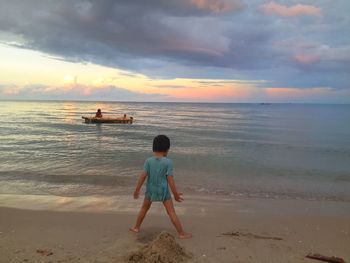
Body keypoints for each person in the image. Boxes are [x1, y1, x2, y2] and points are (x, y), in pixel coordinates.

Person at [130, 135, 192, 239]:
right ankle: (181, 233)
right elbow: (170, 180)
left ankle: (136, 227)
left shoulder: (148, 161)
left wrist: (137, 190)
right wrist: (175, 194)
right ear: (167, 149)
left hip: (151, 190)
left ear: (153, 147)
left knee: (144, 208)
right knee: (171, 212)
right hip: (163, 191)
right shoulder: (168, 162)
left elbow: (143, 176)